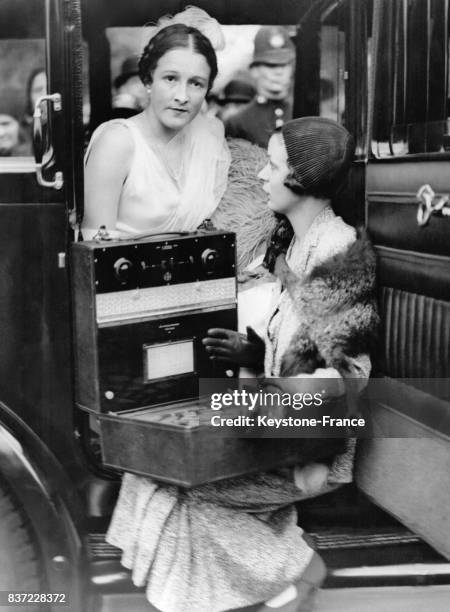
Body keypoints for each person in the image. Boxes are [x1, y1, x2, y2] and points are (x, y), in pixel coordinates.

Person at [107, 117, 378, 612]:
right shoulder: (290, 243)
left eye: (272, 166)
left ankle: (288, 570)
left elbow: (346, 380)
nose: (259, 176)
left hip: (309, 447)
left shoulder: (338, 252)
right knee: (148, 467)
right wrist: (253, 356)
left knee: (178, 486)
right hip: (275, 424)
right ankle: (275, 581)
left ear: (302, 180)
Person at [82, 7, 229, 240]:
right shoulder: (117, 142)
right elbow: (95, 251)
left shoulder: (209, 136)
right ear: (148, 79)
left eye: (196, 83)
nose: (182, 96)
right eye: (171, 78)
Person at [225, 26, 295, 148]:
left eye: (284, 65)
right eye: (271, 65)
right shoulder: (237, 123)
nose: (279, 72)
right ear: (254, 71)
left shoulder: (305, 114)